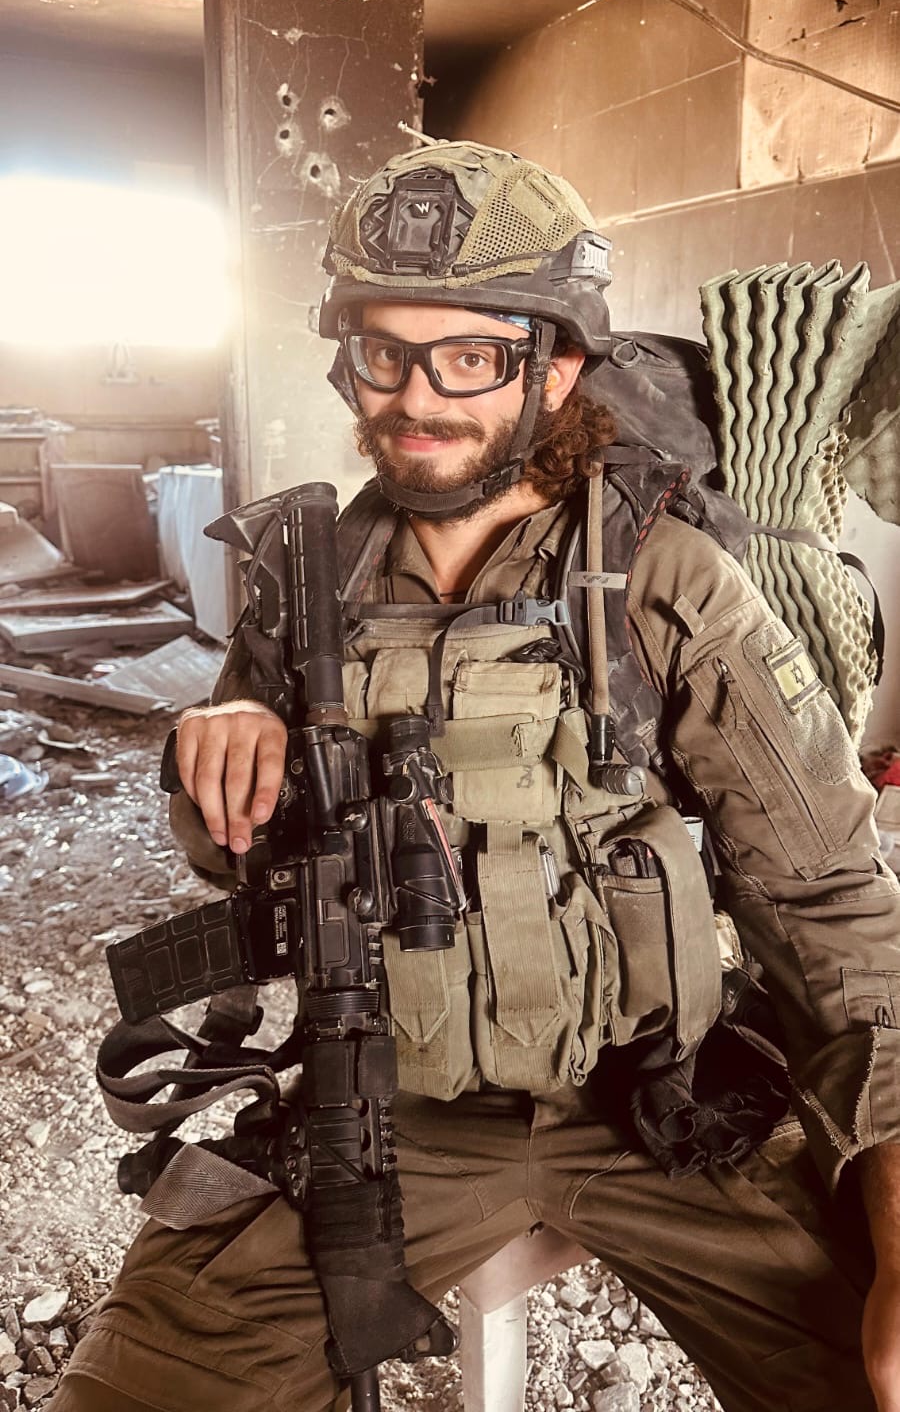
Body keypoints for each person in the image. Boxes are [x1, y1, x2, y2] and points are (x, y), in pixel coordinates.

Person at [52, 142, 900, 1412]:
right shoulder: (307, 581)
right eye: (382, 353)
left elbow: (830, 893)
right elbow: (234, 855)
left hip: (657, 1101)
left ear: (556, 367)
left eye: (469, 358)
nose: (415, 397)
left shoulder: (664, 581)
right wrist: (218, 752)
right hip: (385, 1104)